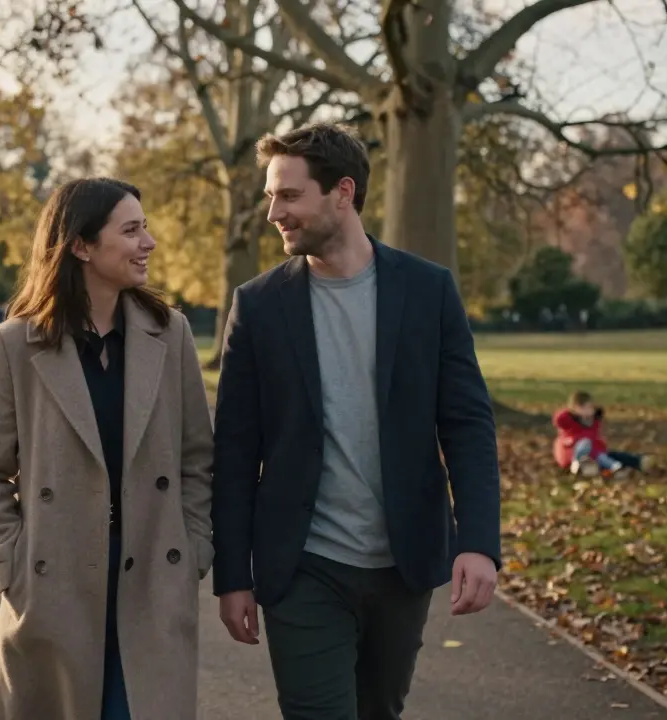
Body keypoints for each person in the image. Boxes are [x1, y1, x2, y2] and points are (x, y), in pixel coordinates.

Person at [212, 123, 503, 720]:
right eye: (270, 197)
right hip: (301, 565)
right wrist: (232, 574)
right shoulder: (258, 305)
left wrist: (478, 542)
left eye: (288, 195)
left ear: (343, 192)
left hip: (403, 563)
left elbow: (467, 425)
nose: (273, 213)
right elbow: (235, 452)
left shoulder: (427, 291)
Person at [0, 178, 213, 720]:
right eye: (131, 230)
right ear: (81, 245)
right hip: (54, 585)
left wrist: (191, 549)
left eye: (145, 228)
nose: (148, 242)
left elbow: (198, 459)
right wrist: (11, 565)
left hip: (153, 577)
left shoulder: (171, 334)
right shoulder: (15, 344)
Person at [553, 390, 651, 478]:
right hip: (575, 457)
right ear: (575, 409)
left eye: (590, 407)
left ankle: (638, 462)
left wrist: (600, 447)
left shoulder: (592, 421)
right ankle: (612, 470)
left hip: (595, 453)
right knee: (595, 461)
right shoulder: (568, 423)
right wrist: (570, 412)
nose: (589, 411)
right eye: (585, 408)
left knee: (611, 456)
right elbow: (559, 420)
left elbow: (594, 440)